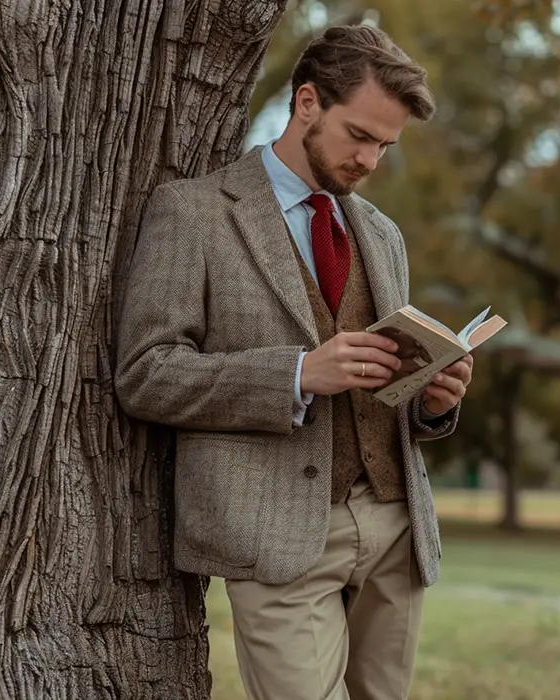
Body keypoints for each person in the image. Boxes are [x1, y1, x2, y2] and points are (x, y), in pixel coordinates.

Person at [114, 24, 472, 700]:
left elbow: (384, 382)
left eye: (385, 146)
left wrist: (434, 400)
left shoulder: (381, 234)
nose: (370, 160)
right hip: (275, 533)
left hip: (397, 527)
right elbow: (146, 372)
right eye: (359, 136)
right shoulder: (194, 213)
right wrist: (296, 373)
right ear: (307, 102)